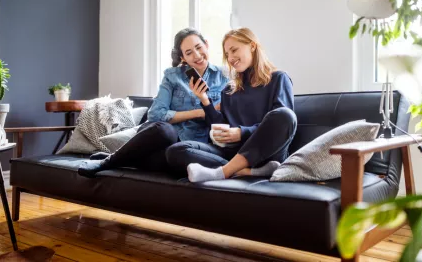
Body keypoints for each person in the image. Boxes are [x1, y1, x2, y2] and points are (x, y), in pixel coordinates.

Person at [77, 28, 229, 178]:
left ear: (206, 45)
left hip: (190, 145)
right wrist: (201, 112)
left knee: (173, 157)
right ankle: (107, 162)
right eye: (189, 53)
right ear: (182, 58)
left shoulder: (225, 77)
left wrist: (205, 103)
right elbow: (156, 114)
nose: (197, 55)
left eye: (199, 47)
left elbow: (219, 120)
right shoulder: (172, 76)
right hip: (159, 138)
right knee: (165, 131)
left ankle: (121, 157)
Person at [165, 28, 297, 182]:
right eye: (227, 54)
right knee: (176, 151)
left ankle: (224, 171)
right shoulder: (229, 89)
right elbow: (221, 127)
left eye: (234, 50)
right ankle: (246, 171)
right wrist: (204, 100)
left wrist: (241, 133)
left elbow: (281, 125)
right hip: (232, 151)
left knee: (285, 115)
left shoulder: (279, 79)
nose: (231, 58)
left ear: (252, 46)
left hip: (266, 154)